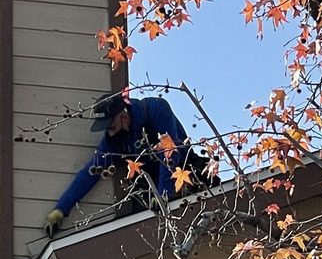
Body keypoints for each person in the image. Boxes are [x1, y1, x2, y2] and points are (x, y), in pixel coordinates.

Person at [43, 94, 207, 237]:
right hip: (151, 185)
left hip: (184, 171)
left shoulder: (155, 109)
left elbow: (170, 152)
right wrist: (61, 209)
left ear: (123, 115)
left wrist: (163, 192)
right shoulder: (113, 141)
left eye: (111, 126)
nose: (110, 132)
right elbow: (91, 172)